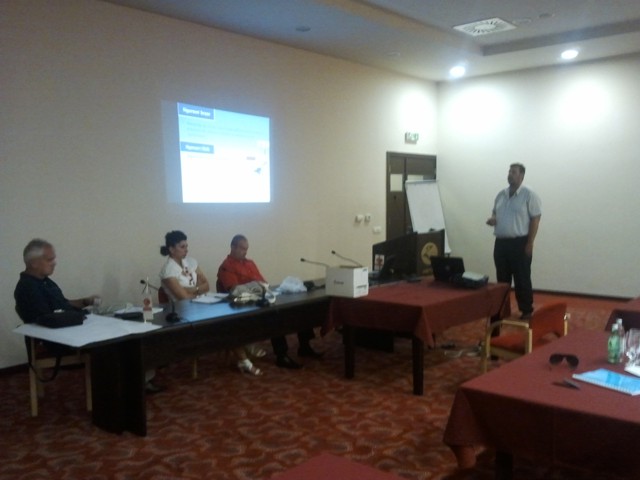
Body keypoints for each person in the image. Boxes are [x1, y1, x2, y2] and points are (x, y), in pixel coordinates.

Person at [160, 230, 263, 376]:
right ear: (171, 249)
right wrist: (197, 289)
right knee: (227, 323)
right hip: (184, 312)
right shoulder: (168, 271)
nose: (186, 250)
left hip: (203, 303)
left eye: (186, 246)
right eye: (182, 247)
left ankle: (244, 353)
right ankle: (245, 357)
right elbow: (183, 297)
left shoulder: (191, 262)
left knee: (231, 316)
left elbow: (206, 285)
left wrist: (191, 289)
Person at [217, 234, 323, 370]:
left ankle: (304, 346)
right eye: (242, 249)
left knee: (299, 308)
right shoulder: (226, 266)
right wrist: (256, 289)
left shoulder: (250, 263)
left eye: (246, 249)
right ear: (233, 247)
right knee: (276, 315)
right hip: (244, 306)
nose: (245, 252)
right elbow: (234, 290)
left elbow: (263, 282)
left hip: (261, 298)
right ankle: (281, 355)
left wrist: (263, 289)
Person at [14, 239, 99, 359]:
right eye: (49, 260)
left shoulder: (45, 282)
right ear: (34, 263)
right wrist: (79, 316)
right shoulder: (27, 287)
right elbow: (48, 318)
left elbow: (62, 304)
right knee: (108, 347)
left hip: (69, 333)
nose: (54, 263)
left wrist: (85, 301)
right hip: (56, 343)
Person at [486, 163, 541, 319]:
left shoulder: (529, 194)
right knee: (502, 279)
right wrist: (493, 219)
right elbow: (495, 212)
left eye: (514, 172)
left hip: (520, 242)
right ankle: (502, 310)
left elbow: (535, 219)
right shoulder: (501, 194)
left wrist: (530, 243)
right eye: (509, 172)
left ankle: (526, 310)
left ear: (521, 176)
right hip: (501, 243)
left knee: (522, 278)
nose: (510, 174)